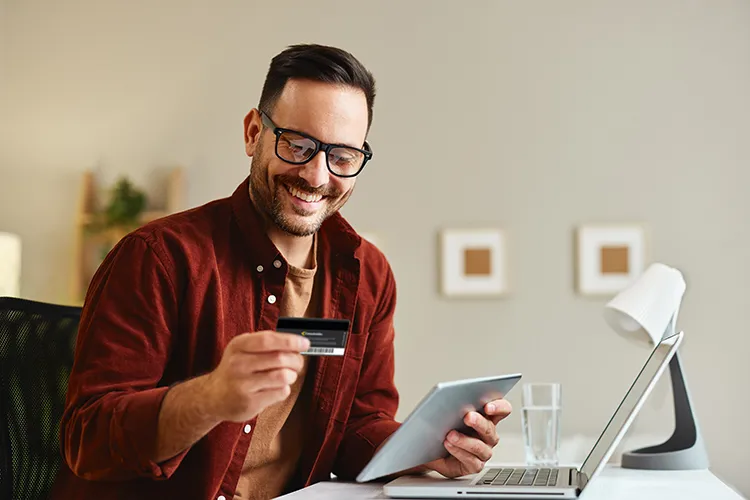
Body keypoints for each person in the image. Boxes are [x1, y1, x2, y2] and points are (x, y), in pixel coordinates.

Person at [50, 43, 512, 500]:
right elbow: (87, 440)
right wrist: (210, 398)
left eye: (343, 157)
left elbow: (356, 427)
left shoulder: (367, 274)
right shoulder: (157, 258)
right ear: (254, 132)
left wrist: (427, 449)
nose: (316, 175)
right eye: (297, 145)